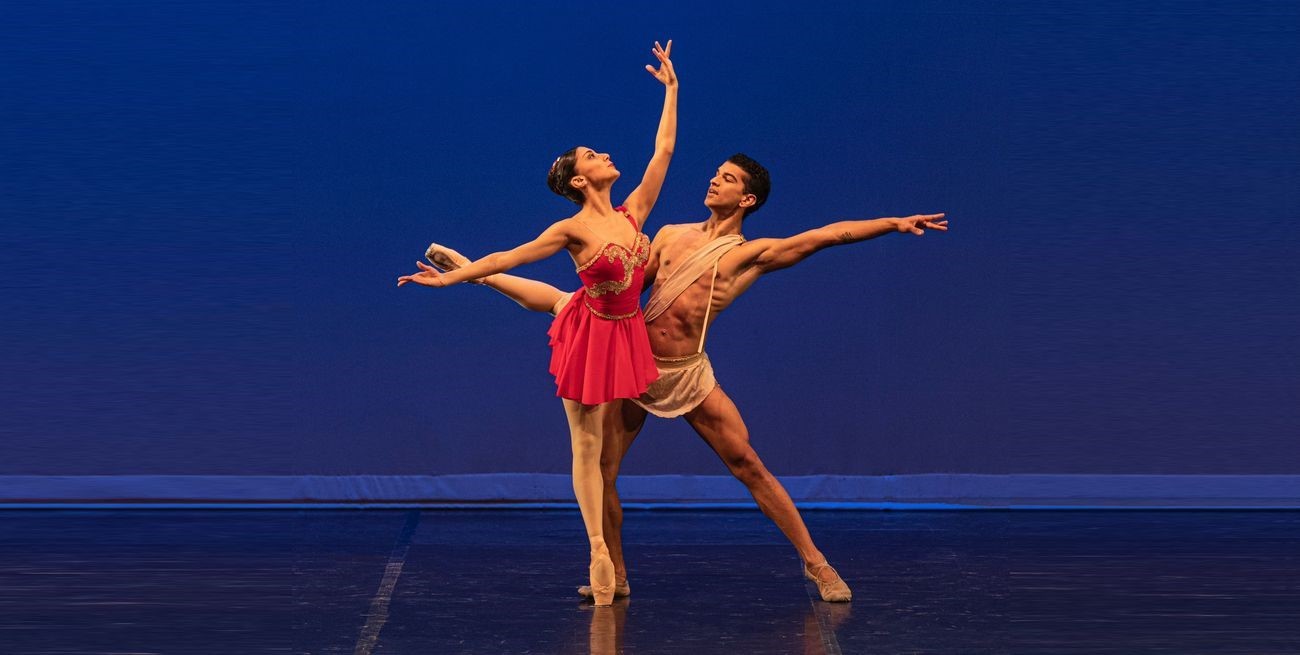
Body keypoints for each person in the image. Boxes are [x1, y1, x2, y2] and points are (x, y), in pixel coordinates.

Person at [424, 154, 946, 602]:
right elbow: (623, 286)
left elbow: (826, 236)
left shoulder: (749, 254)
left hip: (686, 373)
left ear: (748, 200)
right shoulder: (669, 235)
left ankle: (817, 563)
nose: (715, 181)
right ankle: (617, 574)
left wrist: (893, 222)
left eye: (729, 179)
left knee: (748, 464)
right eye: (716, 174)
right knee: (603, 468)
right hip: (634, 364)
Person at [398, 40, 678, 606]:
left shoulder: (633, 213)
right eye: (592, 156)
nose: (604, 155)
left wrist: (672, 90)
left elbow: (663, 152)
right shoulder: (570, 229)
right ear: (579, 180)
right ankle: (597, 547)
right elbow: (513, 254)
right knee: (585, 441)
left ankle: (470, 273)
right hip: (591, 331)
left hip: (617, 327)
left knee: (555, 301)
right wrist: (453, 281)